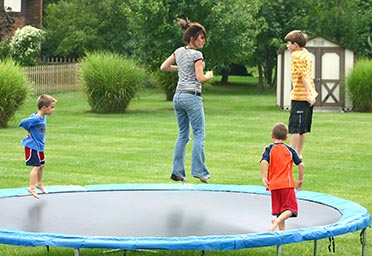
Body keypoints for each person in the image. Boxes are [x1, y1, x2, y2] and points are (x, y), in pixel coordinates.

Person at [160, 18, 213, 183]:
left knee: (183, 134)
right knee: (199, 134)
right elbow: (200, 77)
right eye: (201, 38)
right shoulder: (197, 55)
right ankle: (199, 171)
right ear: (193, 38)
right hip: (192, 96)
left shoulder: (179, 51)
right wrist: (209, 75)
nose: (204, 41)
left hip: (178, 97)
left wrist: (181, 68)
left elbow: (164, 67)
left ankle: (177, 172)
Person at [260, 122, 304, 231]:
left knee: (280, 211)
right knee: (291, 209)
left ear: (272, 136)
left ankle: (281, 233)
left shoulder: (269, 149)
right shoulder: (290, 150)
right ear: (286, 137)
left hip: (274, 185)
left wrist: (263, 176)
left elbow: (263, 162)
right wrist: (300, 179)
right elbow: (301, 165)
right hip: (287, 184)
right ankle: (277, 221)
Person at [284, 30, 318, 159]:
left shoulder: (296, 56)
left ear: (295, 45)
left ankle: (291, 154)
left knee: (295, 127)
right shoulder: (306, 54)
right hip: (308, 94)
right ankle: (298, 153)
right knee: (302, 127)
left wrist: (308, 95)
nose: (287, 46)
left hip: (301, 96)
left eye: (289, 43)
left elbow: (303, 76)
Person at [19, 94, 57, 199]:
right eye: (52, 107)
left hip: (40, 146)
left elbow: (32, 120)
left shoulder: (42, 116)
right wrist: (28, 131)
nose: (53, 110)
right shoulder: (36, 119)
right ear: (44, 108)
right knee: (36, 166)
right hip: (32, 146)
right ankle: (31, 187)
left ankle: (39, 184)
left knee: (41, 165)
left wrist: (29, 130)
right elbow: (23, 122)